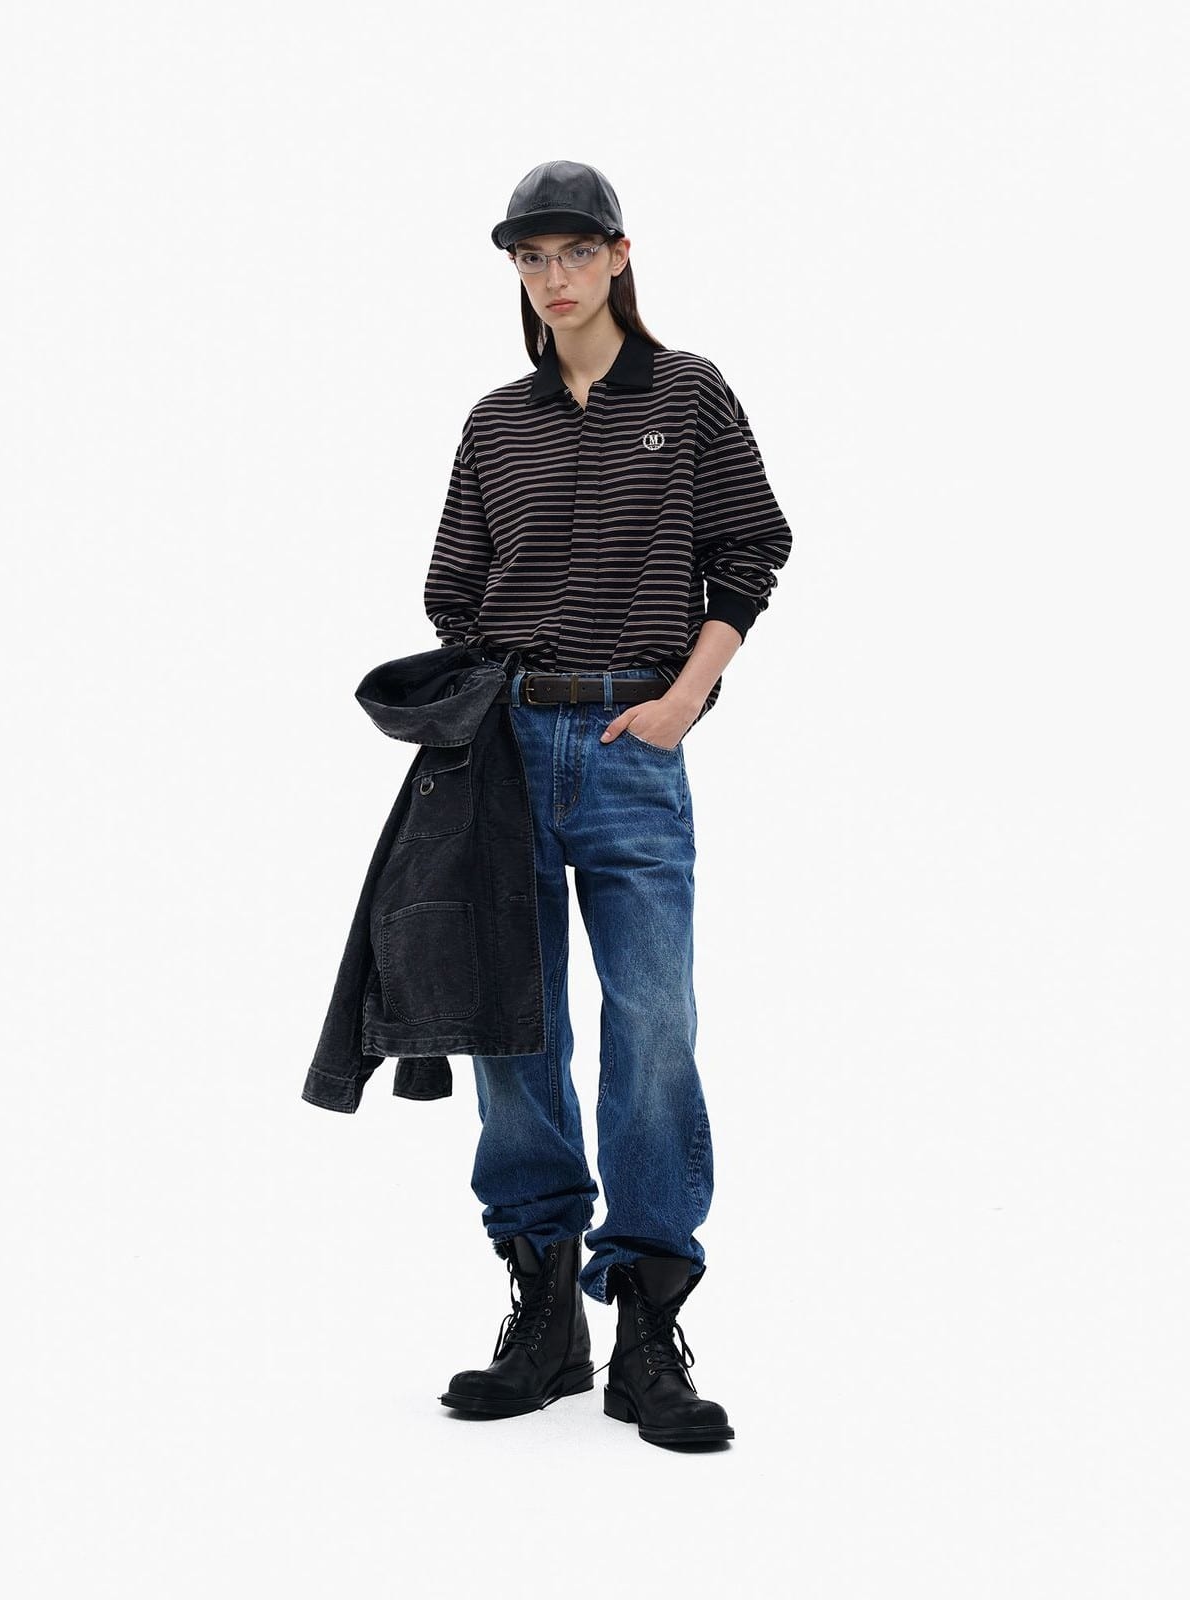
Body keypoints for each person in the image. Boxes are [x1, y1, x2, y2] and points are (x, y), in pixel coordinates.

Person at [424, 159, 793, 1448]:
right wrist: (480, 710)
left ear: (621, 255)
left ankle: (646, 1324)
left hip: (636, 739)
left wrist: (687, 695)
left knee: (652, 1023)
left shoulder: (687, 394)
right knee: (514, 1032)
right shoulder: (494, 422)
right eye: (531, 258)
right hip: (505, 748)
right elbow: (453, 589)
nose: (554, 277)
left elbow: (753, 547)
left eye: (576, 252)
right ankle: (544, 1315)